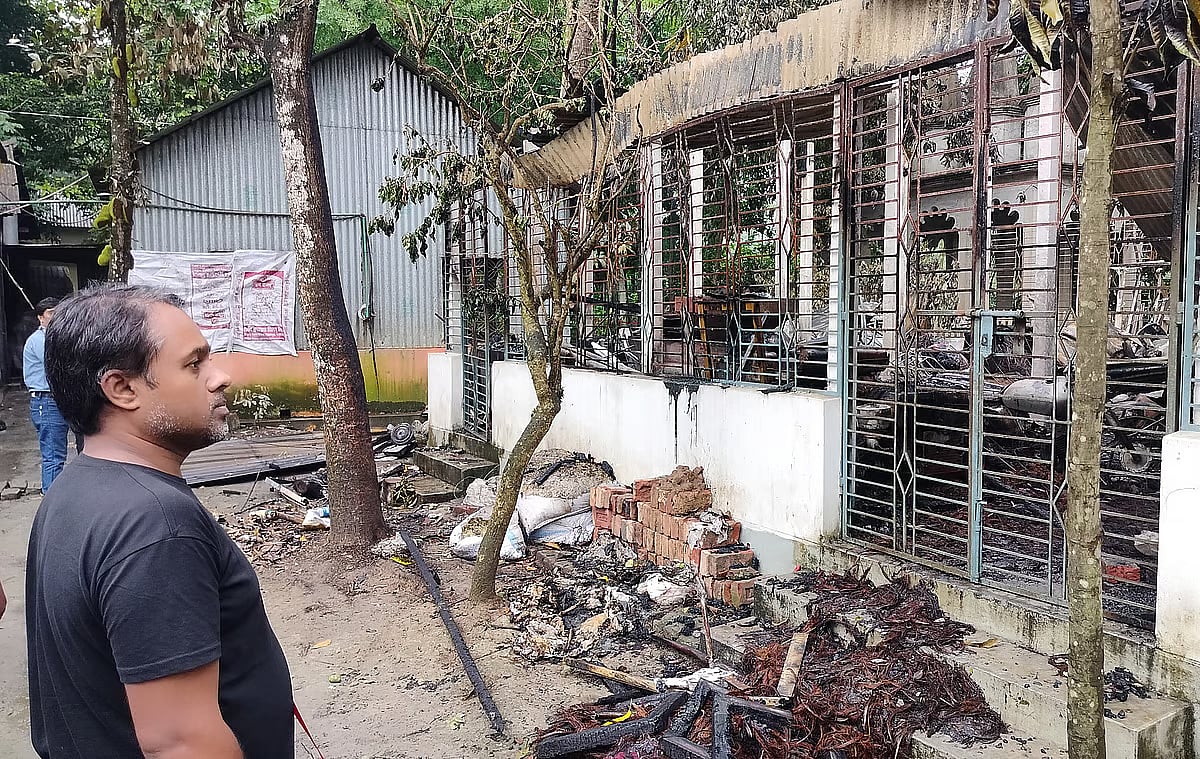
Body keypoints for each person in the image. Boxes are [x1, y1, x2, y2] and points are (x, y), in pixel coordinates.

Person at [26, 284, 293, 759]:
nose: (220, 377)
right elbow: (180, 743)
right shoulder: (155, 525)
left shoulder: (76, 488)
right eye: (195, 364)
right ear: (122, 389)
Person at [23, 297, 69, 493]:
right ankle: (50, 497)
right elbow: (59, 366)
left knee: (60, 452)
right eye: (51, 313)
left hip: (59, 400)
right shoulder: (40, 341)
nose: (56, 316)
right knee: (53, 455)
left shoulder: (56, 338)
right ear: (40, 318)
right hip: (47, 401)